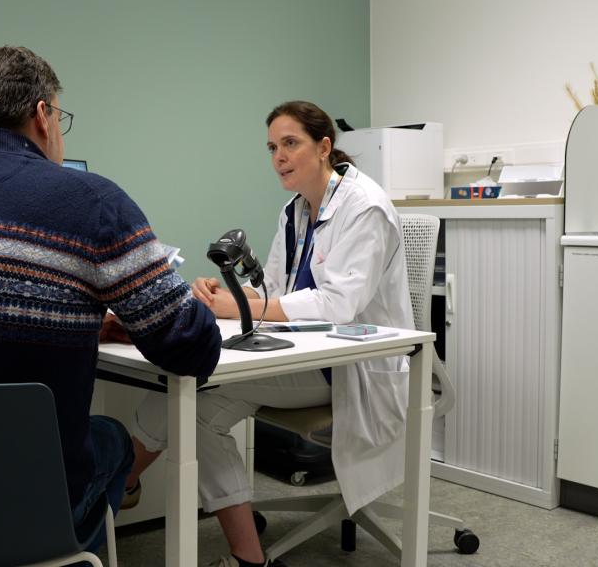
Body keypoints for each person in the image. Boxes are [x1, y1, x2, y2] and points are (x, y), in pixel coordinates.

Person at [0, 46, 222, 552]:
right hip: (29, 504)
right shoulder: (91, 201)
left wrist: (76, 321)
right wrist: (200, 304)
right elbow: (192, 348)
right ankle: (61, 556)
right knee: (113, 439)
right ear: (42, 116)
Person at [124, 100, 413, 567]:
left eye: (290, 143)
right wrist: (230, 291)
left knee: (189, 394)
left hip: (349, 366)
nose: (279, 156)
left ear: (324, 147)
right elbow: (276, 292)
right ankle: (247, 555)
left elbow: (339, 304)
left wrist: (245, 306)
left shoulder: (366, 209)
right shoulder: (294, 209)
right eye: (272, 147)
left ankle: (119, 488)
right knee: (186, 406)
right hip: (301, 355)